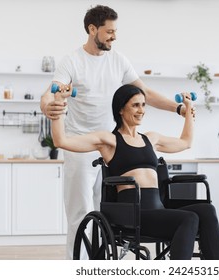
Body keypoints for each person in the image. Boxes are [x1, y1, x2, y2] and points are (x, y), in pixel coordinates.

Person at [40, 5, 189, 259]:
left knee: (107, 212)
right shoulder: (72, 61)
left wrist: (177, 109)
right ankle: (78, 267)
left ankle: (103, 263)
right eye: (109, 31)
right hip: (81, 145)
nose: (114, 36)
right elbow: (50, 93)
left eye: (115, 31)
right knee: (80, 213)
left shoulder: (118, 60)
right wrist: (49, 106)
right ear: (92, 29)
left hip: (111, 146)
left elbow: (145, 93)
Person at [51, 84, 219, 260]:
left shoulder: (151, 138)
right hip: (133, 214)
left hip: (158, 209)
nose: (141, 110)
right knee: (189, 219)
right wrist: (59, 102)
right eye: (135, 105)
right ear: (121, 109)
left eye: (143, 105)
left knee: (207, 211)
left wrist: (188, 110)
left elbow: (185, 142)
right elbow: (61, 141)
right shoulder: (109, 141)